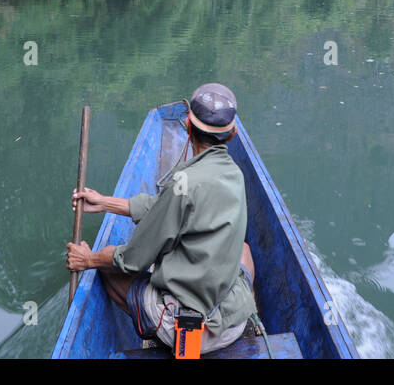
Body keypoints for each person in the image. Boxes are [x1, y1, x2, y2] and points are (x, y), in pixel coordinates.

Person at [65, 83, 257, 354]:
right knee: (245, 251)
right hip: (232, 321)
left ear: (188, 128)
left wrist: (89, 259)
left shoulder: (185, 181)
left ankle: (151, 334)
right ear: (232, 134)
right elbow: (164, 207)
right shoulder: (234, 174)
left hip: (189, 332)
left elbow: (133, 260)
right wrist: (105, 202)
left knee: (109, 270)